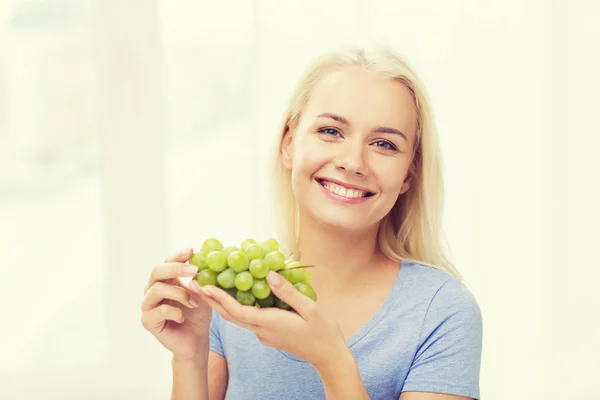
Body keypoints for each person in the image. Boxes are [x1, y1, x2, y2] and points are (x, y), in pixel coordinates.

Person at [141, 46, 483, 400]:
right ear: (288, 143)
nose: (353, 162)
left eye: (383, 143)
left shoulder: (442, 311)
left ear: (409, 174)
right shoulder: (234, 296)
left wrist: (332, 360)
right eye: (331, 132)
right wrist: (189, 358)